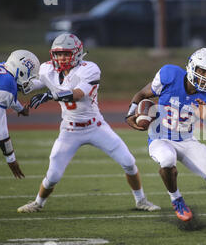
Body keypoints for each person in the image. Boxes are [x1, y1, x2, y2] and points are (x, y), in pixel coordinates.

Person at [17, 33, 160, 213]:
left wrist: (50, 95)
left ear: (77, 53)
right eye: (58, 54)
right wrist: (15, 83)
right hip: (69, 129)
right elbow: (31, 84)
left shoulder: (89, 68)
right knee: (53, 175)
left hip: (95, 126)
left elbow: (78, 94)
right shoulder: (47, 70)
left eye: (66, 54)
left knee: (129, 162)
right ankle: (38, 203)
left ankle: (141, 201)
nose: (61, 58)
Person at [125, 48, 206, 233]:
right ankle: (176, 199)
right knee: (166, 159)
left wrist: (205, 116)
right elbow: (143, 95)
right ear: (192, 67)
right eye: (203, 71)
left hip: (187, 140)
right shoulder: (170, 74)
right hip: (160, 137)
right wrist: (130, 114)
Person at [0, 49, 39, 218]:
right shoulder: (7, 84)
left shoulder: (1, 70)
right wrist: (11, 159)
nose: (28, 81)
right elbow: (0, 128)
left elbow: (3, 92)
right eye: (29, 75)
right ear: (20, 71)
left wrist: (20, 109)